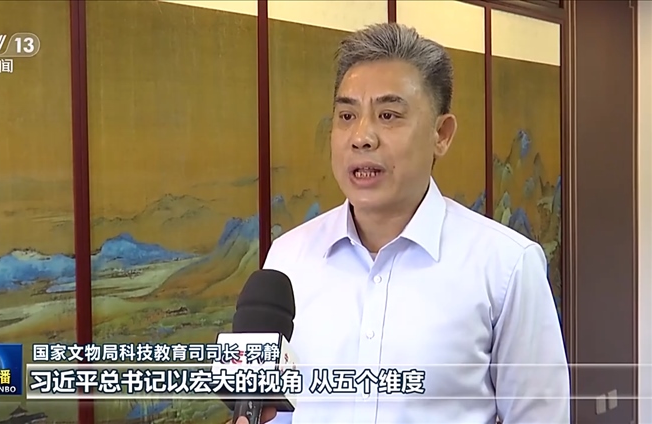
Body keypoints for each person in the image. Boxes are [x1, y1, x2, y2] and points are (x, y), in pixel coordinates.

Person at [232, 22, 569, 424]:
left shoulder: (506, 266)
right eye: (346, 115)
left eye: (388, 115)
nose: (361, 137)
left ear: (441, 134)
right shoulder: (288, 258)